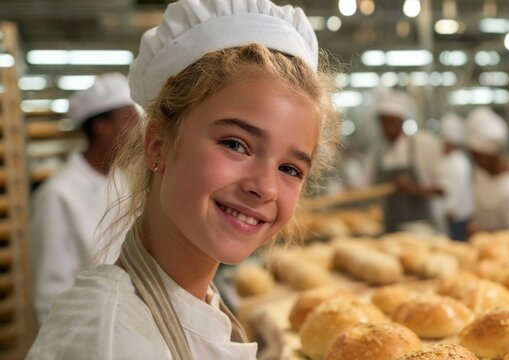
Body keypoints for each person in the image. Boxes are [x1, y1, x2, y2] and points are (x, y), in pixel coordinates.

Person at [28, 0, 340, 358]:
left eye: (290, 169)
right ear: (157, 145)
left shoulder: (193, 298)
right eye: (235, 144)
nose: (265, 188)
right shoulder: (110, 341)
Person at [29, 73, 137, 324]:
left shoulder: (123, 182)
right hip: (87, 332)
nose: (138, 131)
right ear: (101, 127)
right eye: (129, 121)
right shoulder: (57, 195)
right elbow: (50, 293)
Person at [367, 89, 445, 233]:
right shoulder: (376, 154)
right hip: (389, 229)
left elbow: (442, 189)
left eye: (392, 121)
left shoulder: (422, 145)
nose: (388, 127)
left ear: (402, 120)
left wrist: (414, 189)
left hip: (421, 229)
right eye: (383, 122)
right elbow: (367, 190)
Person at [466, 107, 509, 232]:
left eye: (477, 156)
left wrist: (482, 232)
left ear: (487, 156)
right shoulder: (481, 175)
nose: (476, 161)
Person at [438, 113, 474, 240]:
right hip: (458, 214)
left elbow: (456, 188)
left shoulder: (456, 162)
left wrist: (450, 210)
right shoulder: (457, 160)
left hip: (457, 216)